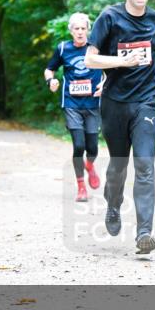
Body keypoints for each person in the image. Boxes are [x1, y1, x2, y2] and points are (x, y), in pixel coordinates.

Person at [85, 0, 155, 255]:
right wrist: (121, 62)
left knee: (144, 164)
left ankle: (144, 233)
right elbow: (90, 59)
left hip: (146, 101)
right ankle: (113, 203)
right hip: (114, 102)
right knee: (118, 165)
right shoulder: (109, 18)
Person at [45, 13, 105, 203]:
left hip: (93, 104)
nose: (80, 32)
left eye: (83, 28)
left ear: (88, 30)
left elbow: (111, 70)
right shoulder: (63, 48)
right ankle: (81, 187)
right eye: (76, 29)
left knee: (93, 148)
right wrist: (51, 81)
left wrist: (105, 84)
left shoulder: (96, 48)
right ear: (71, 31)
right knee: (79, 145)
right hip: (71, 104)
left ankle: (90, 165)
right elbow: (49, 69)